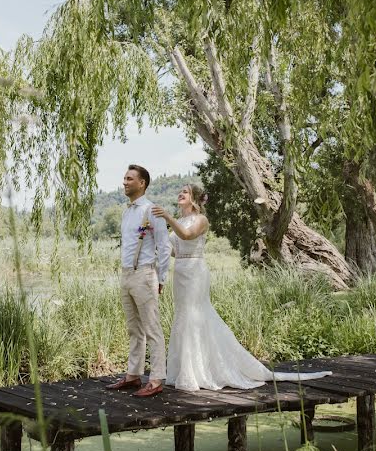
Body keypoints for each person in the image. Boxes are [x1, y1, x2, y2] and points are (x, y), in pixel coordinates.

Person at [151, 185, 332, 391]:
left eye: (185, 191)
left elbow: (186, 236)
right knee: (183, 316)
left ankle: (199, 372)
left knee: (194, 315)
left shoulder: (200, 220)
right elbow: (175, 250)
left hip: (195, 273)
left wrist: (166, 217)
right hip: (181, 272)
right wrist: (157, 239)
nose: (180, 193)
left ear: (194, 198)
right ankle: (185, 370)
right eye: (180, 190)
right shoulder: (179, 221)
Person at [105, 165, 171, 397]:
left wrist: (161, 277)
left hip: (145, 274)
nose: (124, 182)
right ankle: (133, 375)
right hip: (126, 274)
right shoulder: (126, 212)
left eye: (129, 178)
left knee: (152, 328)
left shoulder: (152, 210)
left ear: (142, 183)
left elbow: (164, 246)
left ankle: (156, 379)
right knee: (134, 328)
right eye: (124, 178)